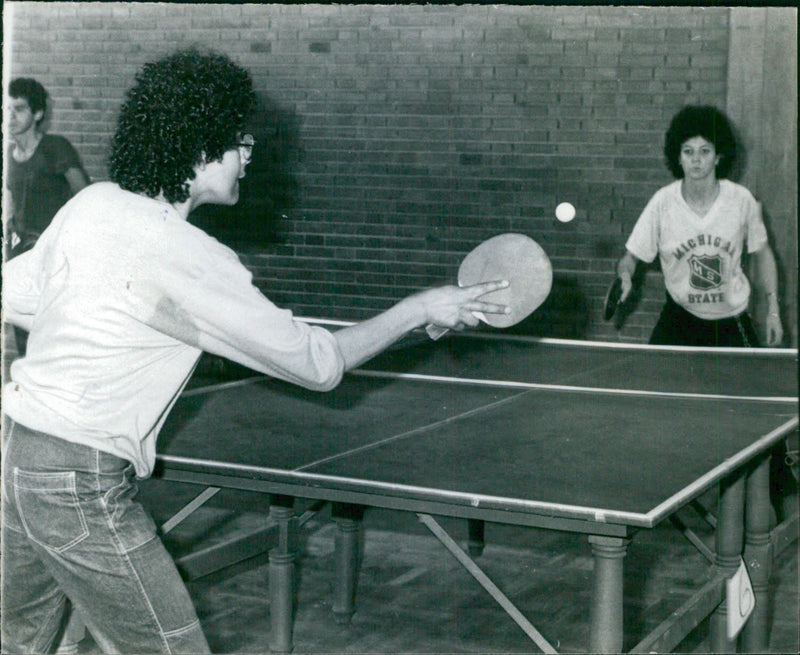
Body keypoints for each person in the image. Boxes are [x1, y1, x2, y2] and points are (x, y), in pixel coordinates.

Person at [0, 49, 511, 654]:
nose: (249, 156)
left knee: (21, 645)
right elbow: (319, 364)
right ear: (197, 148)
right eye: (239, 142)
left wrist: (118, 315)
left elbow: (17, 296)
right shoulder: (194, 257)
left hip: (17, 458)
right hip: (77, 484)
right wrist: (420, 309)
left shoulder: (93, 203)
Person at [615, 105, 783, 347]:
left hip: (731, 321)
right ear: (678, 157)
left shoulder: (740, 199)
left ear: (718, 157)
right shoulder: (663, 202)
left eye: (705, 151)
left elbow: (763, 253)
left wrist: (773, 311)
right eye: (688, 151)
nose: (696, 159)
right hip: (678, 318)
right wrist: (625, 276)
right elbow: (630, 258)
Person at [5, 77, 90, 357]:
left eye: (18, 109)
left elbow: (85, 197)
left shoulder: (55, 148)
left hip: (54, 255)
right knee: (23, 333)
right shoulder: (8, 155)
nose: (11, 116)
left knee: (54, 334)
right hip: (21, 255)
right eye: (6, 109)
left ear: (38, 113)